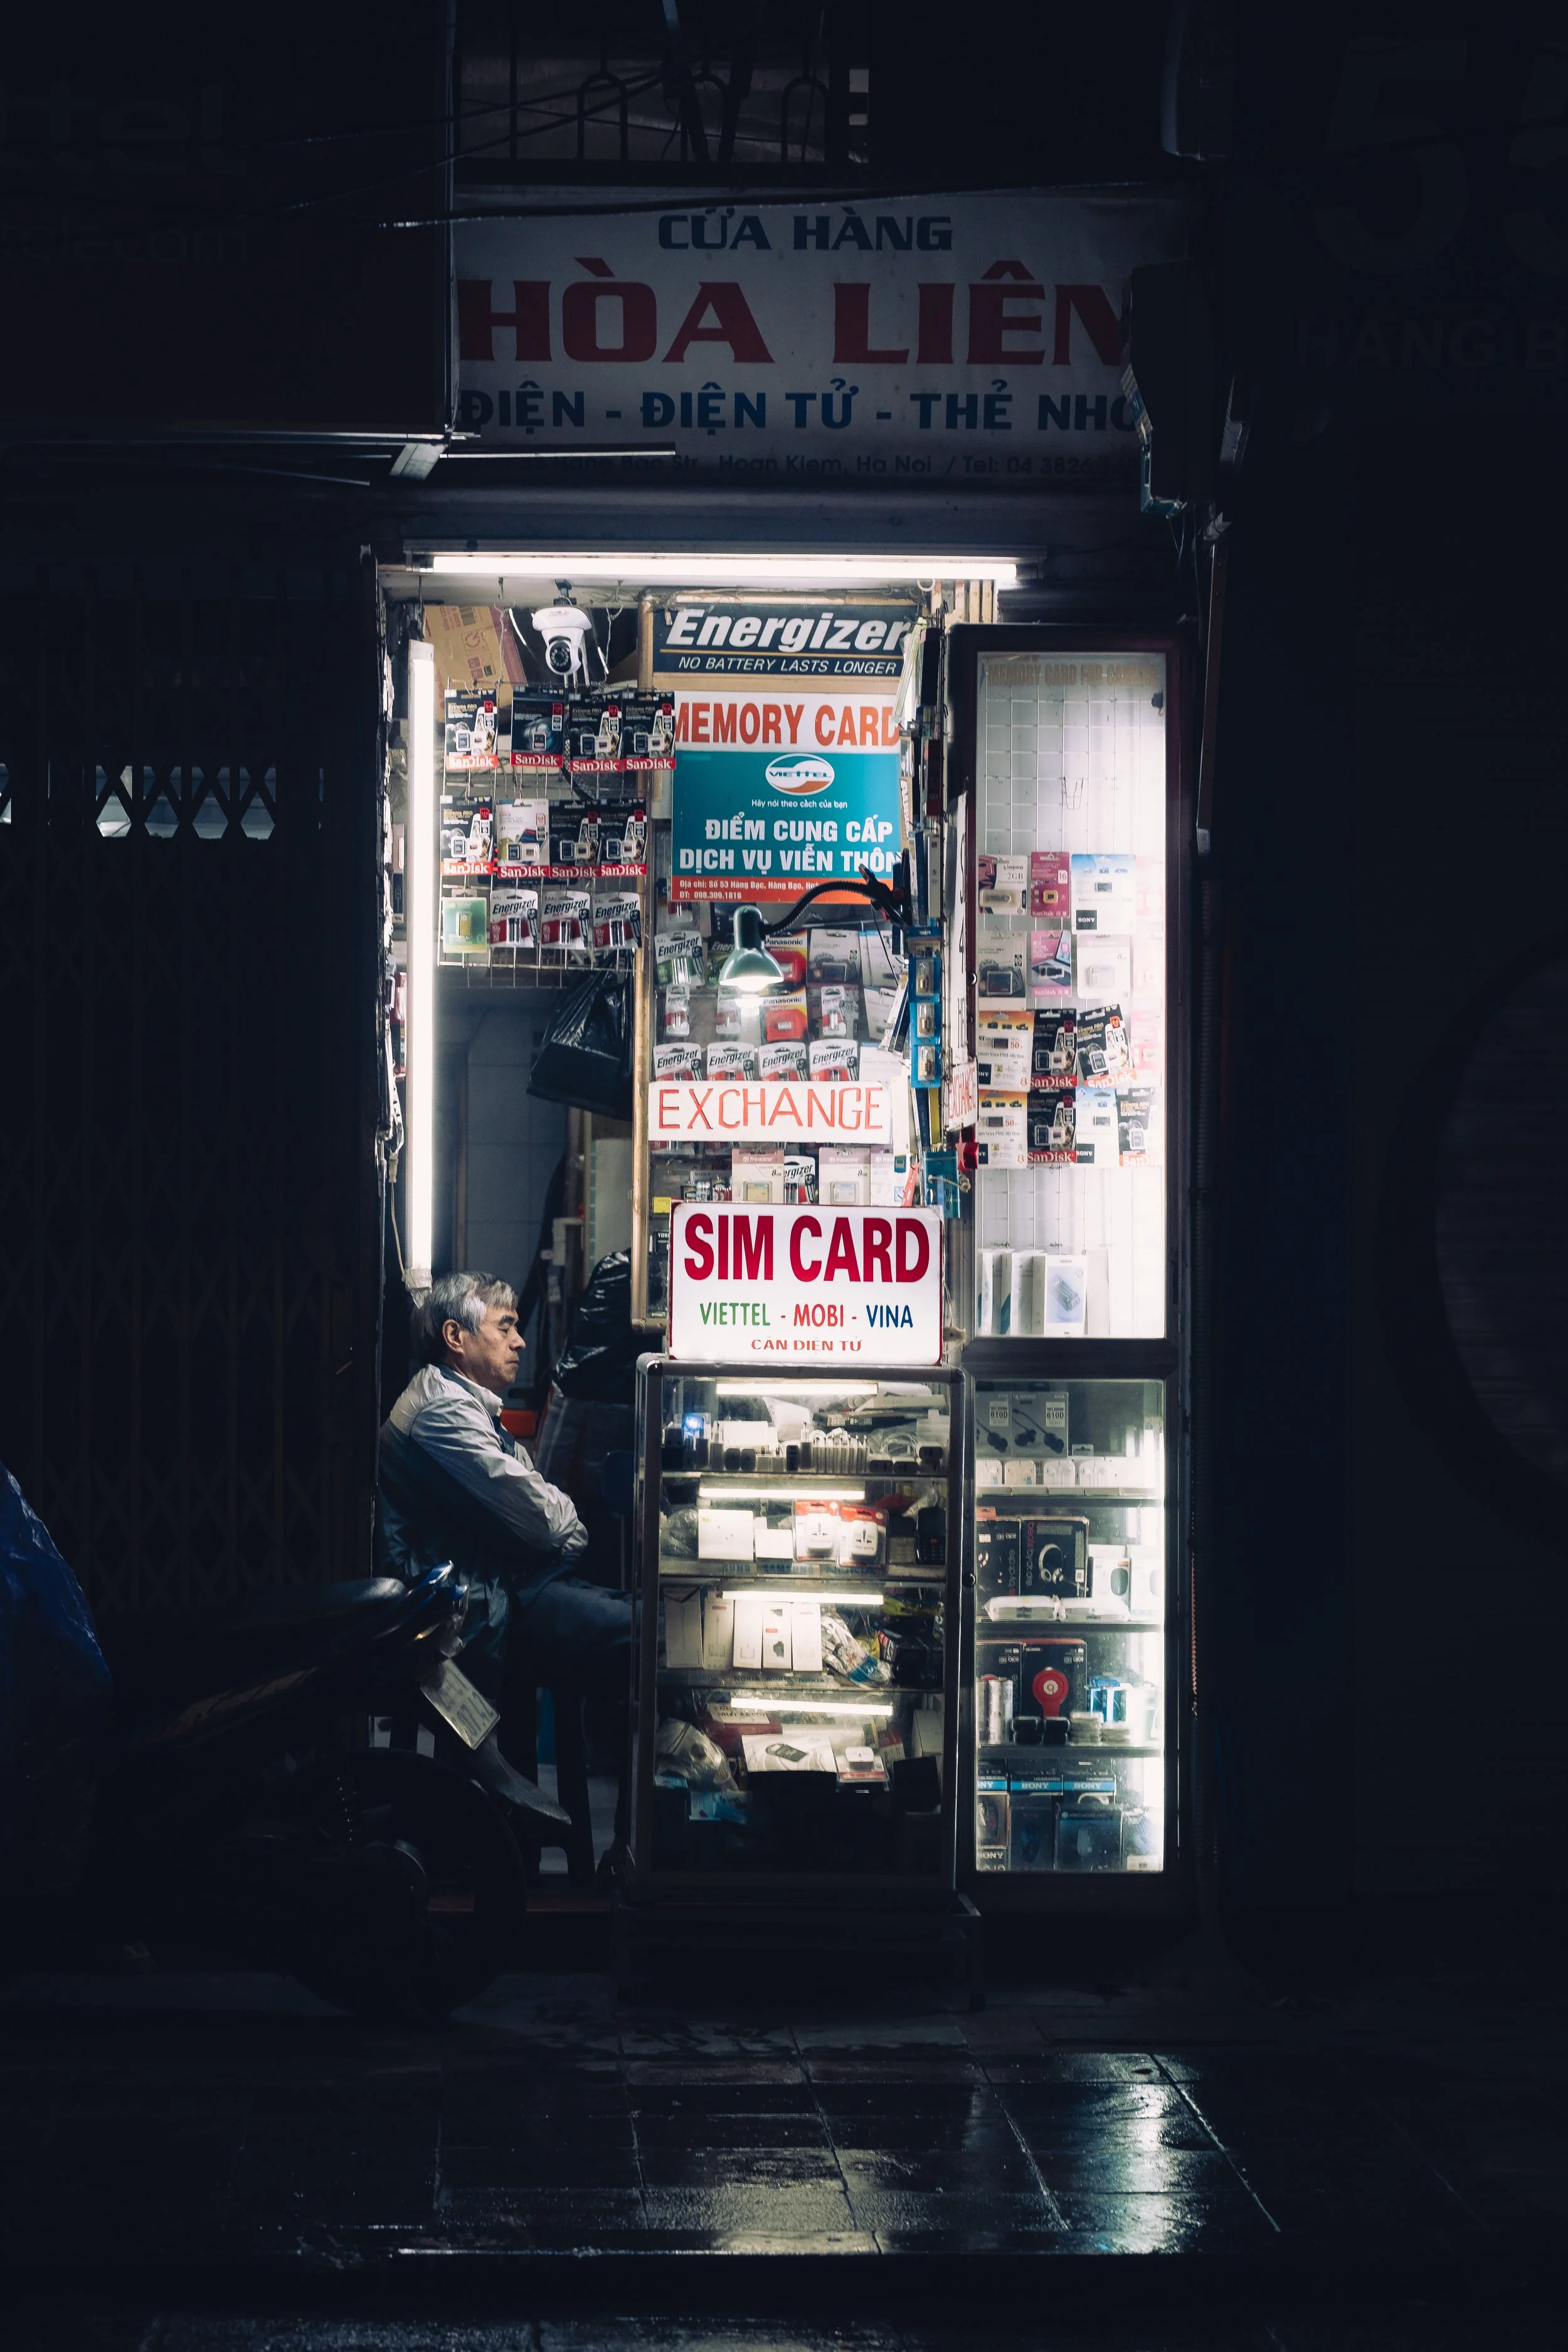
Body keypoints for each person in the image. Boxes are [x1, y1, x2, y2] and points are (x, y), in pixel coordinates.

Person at [376, 1271, 630, 1846]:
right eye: (506, 1327)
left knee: (638, 1620)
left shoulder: (467, 1405)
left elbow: (536, 1500)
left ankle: (551, 1843)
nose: (519, 1342)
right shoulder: (443, 1412)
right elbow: (545, 1521)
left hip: (499, 1587)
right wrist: (562, 1529)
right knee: (649, 1639)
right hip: (472, 1604)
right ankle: (633, 1852)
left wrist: (554, 1524)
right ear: (455, 1336)